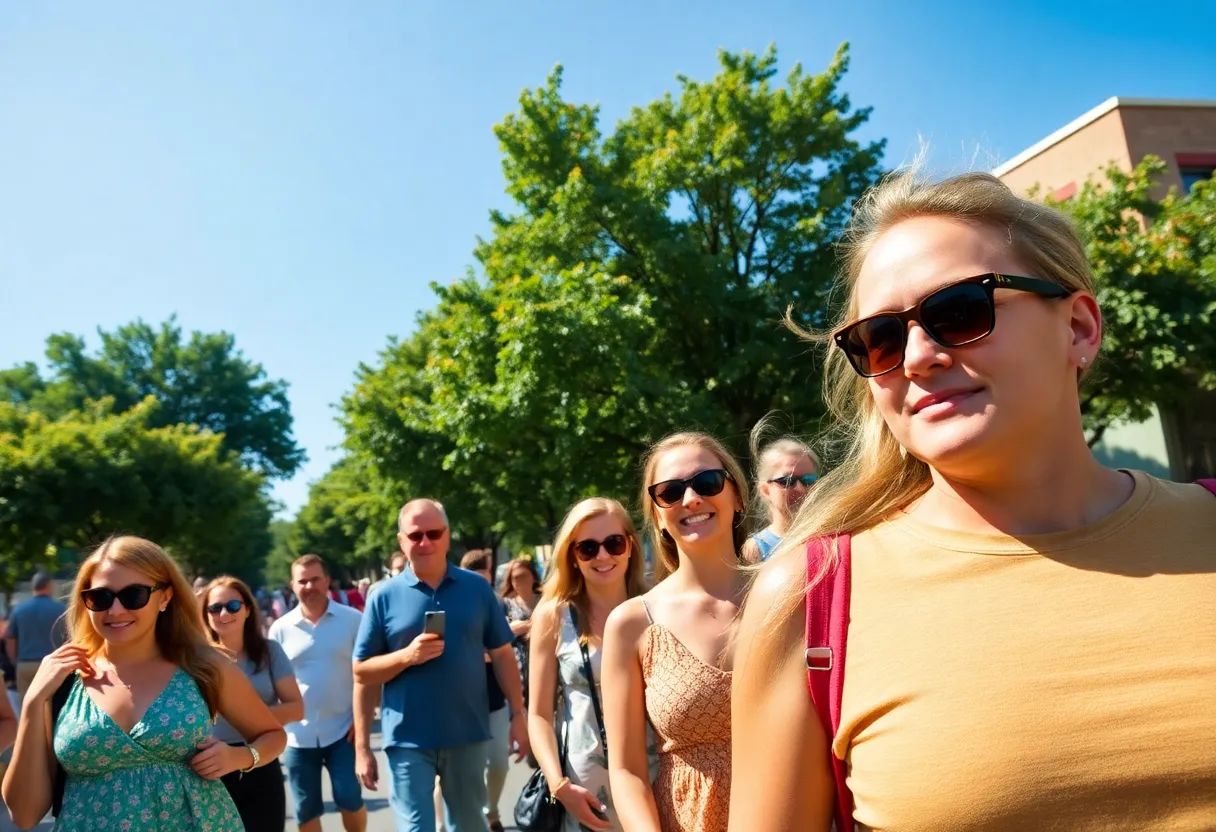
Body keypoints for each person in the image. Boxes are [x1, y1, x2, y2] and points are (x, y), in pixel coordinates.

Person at [729, 170, 1216, 830]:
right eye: (881, 339)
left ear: (1078, 327)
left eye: (959, 311)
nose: (918, 357)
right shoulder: (807, 597)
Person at [0, 535, 286, 831]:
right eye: (100, 597)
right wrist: (33, 702)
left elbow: (273, 736)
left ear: (165, 597)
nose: (115, 610)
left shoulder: (204, 666)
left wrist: (239, 756)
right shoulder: (64, 679)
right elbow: (23, 815)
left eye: (133, 595)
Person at [352, 498, 529, 832]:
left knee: (468, 826)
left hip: (467, 734)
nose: (425, 542)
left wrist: (518, 715)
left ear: (447, 536)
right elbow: (361, 672)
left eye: (434, 533)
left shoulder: (476, 588)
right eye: (415, 535)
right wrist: (407, 657)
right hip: (406, 739)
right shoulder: (383, 596)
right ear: (401, 540)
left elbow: (503, 653)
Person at [602, 433, 750, 830]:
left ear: (738, 495)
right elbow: (627, 770)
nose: (691, 499)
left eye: (707, 483)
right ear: (656, 516)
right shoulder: (632, 624)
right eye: (669, 492)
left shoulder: (792, 596)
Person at [530, 498, 651, 831]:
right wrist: (558, 785)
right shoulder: (554, 616)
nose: (602, 556)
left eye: (613, 543)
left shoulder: (656, 606)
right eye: (587, 548)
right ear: (573, 556)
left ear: (630, 546)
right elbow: (539, 714)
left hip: (656, 777)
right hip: (585, 790)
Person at [269, 554, 368, 832]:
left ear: (327, 581)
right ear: (292, 585)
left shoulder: (352, 620)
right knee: (306, 809)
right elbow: (271, 683)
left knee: (349, 798)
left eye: (315, 579)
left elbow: (368, 673)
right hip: (296, 736)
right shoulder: (280, 629)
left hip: (344, 730)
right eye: (302, 581)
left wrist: (363, 720)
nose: (309, 586)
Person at [203, 576, 306, 832]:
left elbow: (296, 707)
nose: (224, 613)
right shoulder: (195, 661)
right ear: (205, 615)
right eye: (215, 608)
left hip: (261, 758)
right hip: (209, 766)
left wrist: (248, 715)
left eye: (233, 606)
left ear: (248, 609)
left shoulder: (269, 651)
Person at [457, 550, 511, 832]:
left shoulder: (497, 603)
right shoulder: (455, 602)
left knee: (499, 763)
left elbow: (501, 649)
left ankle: (490, 810)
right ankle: (446, 821)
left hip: (494, 697)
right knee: (457, 770)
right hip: (459, 701)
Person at [742, 436, 820, 563]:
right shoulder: (755, 550)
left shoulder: (833, 538)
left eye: (808, 480)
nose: (800, 488)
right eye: (788, 481)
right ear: (765, 490)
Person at [5, 572, 68, 702]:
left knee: (27, 705)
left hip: (25, 664)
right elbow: (69, 637)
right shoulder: (61, 609)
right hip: (53, 664)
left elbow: (10, 638)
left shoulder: (19, 610)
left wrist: (15, 660)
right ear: (48, 585)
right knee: (52, 705)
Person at [499, 558, 540, 709]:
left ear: (533, 577)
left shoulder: (545, 602)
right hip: (519, 671)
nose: (520, 581)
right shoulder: (505, 605)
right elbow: (496, 638)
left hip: (546, 665)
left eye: (524, 575)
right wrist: (511, 630)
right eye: (516, 578)